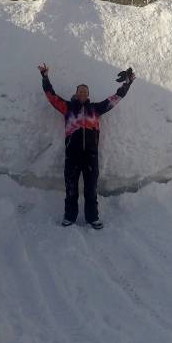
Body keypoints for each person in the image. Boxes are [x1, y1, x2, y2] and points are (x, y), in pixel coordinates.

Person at [39, 63, 135, 229]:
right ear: (76, 94)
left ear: (88, 95)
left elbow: (115, 99)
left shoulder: (96, 109)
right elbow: (51, 96)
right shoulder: (67, 108)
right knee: (71, 188)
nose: (82, 93)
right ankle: (69, 216)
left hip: (91, 155)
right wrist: (45, 77)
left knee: (91, 189)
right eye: (80, 90)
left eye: (85, 91)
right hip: (72, 155)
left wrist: (127, 84)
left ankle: (92, 218)